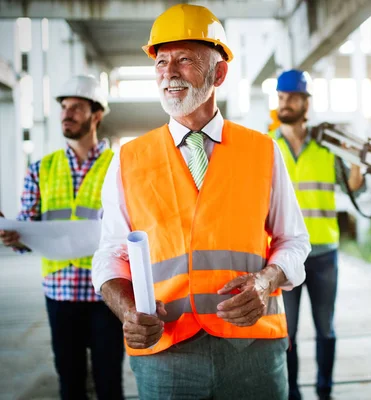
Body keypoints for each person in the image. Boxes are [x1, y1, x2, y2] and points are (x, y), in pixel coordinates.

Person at [91, 4, 311, 400]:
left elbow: (294, 241)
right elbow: (110, 253)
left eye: (185, 60)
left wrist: (265, 282)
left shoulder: (262, 150)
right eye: (161, 62)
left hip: (253, 349)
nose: (169, 73)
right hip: (166, 353)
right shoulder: (129, 159)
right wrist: (127, 312)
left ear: (219, 73)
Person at [0, 75, 125, 400]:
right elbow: (28, 226)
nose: (66, 114)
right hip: (60, 292)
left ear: (96, 115)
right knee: (70, 384)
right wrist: (12, 234)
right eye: (64, 107)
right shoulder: (41, 169)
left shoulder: (120, 167)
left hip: (107, 294)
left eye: (76, 108)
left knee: (109, 382)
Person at [269, 69, 366, 400]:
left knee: (325, 329)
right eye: (281, 98)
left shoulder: (327, 148)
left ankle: (325, 391)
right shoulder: (267, 146)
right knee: (288, 332)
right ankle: (292, 393)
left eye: (292, 98)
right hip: (283, 257)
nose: (285, 104)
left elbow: (353, 187)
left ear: (306, 103)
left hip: (323, 253)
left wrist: (356, 158)